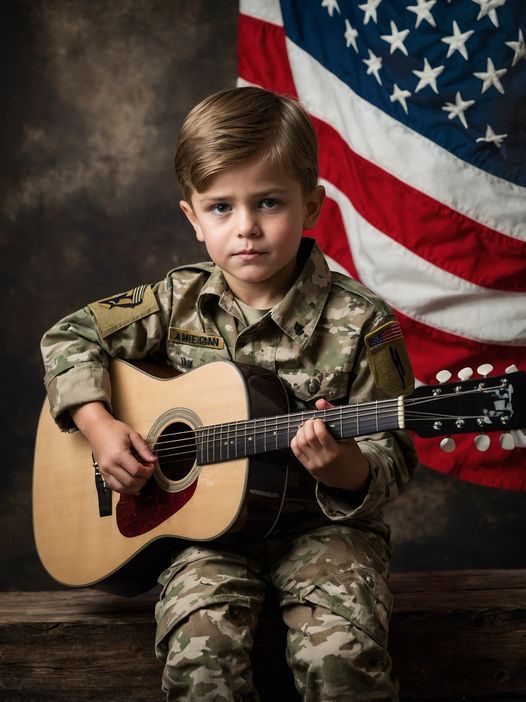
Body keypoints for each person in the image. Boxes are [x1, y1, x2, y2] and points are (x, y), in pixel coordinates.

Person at [40, 86, 418, 701]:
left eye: (269, 202)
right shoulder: (174, 301)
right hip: (202, 534)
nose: (246, 228)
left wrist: (346, 466)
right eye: (220, 208)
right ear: (192, 217)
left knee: (342, 657)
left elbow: (396, 454)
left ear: (313, 205)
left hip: (324, 532)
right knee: (200, 655)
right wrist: (99, 425)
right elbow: (69, 337)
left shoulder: (367, 325)